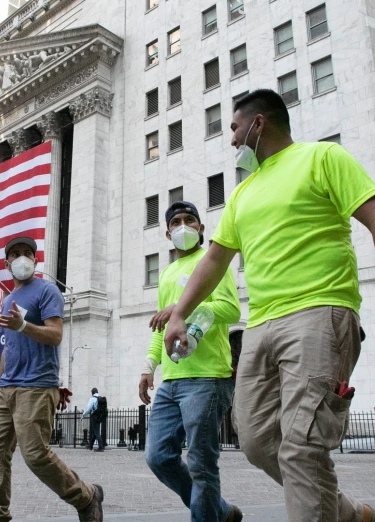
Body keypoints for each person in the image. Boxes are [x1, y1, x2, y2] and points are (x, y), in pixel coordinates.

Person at [164, 89, 375, 522]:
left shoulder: (322, 158)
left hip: (321, 313)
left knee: (301, 444)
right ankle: (347, 514)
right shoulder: (243, 193)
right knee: (257, 441)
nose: (232, 141)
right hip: (260, 325)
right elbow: (215, 260)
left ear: (258, 123)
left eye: (235, 129)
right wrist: (180, 312)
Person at [0, 236, 103, 522]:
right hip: (6, 388)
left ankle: (86, 497)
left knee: (36, 455)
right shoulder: (8, 300)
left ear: (36, 260)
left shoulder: (47, 291)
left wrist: (22, 324)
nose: (21, 258)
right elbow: (8, 348)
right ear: (7, 263)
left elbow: (56, 335)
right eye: (15, 254)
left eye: (27, 253)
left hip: (36, 387)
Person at [139, 201, 244, 522]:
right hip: (171, 380)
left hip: (208, 377)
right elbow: (161, 328)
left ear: (201, 227)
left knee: (200, 463)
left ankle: (207, 515)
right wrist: (148, 366)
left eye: (190, 220)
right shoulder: (168, 273)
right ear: (168, 232)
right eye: (176, 221)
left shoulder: (212, 262)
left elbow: (231, 310)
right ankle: (219, 511)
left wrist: (183, 309)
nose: (183, 225)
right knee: (158, 457)